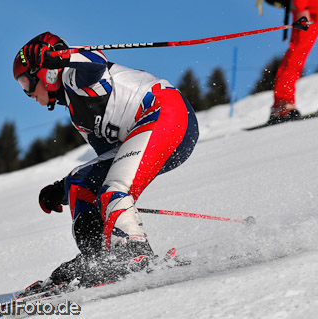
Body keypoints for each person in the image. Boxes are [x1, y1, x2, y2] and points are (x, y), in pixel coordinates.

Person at [12, 31, 199, 288]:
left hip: (167, 114)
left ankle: (135, 253)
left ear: (46, 73)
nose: (28, 93)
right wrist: (61, 189)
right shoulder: (79, 115)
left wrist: (62, 58)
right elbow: (111, 160)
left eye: (26, 83)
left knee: (114, 190)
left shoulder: (75, 77)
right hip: (147, 132)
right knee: (80, 183)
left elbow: (95, 60)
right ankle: (97, 258)